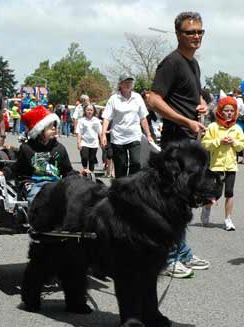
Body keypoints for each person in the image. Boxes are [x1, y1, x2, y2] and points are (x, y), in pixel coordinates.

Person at [146, 11, 210, 278]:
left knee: (184, 201)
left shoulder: (192, 64)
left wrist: (202, 104)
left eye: (199, 32)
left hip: (189, 140)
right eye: (190, 32)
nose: (196, 37)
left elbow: (192, 97)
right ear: (178, 34)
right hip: (175, 140)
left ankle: (181, 251)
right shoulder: (171, 63)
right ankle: (169, 257)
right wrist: (185, 120)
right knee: (172, 201)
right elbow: (153, 99)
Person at [0, 106, 77, 206]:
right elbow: (17, 168)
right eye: (50, 125)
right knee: (38, 198)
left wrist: (80, 176)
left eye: (55, 124)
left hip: (55, 184)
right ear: (39, 130)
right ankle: (38, 220)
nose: (54, 127)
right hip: (33, 184)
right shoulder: (27, 148)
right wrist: (2, 172)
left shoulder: (59, 148)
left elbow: (67, 171)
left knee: (69, 198)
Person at [201, 96, 244, 231]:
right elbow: (205, 144)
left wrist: (234, 143)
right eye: (226, 110)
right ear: (220, 111)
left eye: (232, 110)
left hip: (231, 166)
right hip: (216, 166)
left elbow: (241, 147)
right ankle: (206, 208)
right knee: (214, 193)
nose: (229, 113)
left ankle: (228, 219)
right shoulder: (213, 127)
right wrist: (219, 141)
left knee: (229, 193)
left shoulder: (237, 129)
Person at [100, 75, 153, 178]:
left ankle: (131, 184)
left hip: (134, 136)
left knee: (136, 162)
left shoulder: (137, 97)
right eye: (125, 82)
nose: (128, 84)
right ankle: (120, 188)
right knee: (121, 166)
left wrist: (149, 135)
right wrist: (103, 135)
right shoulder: (114, 99)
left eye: (130, 82)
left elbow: (143, 118)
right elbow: (106, 118)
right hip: (118, 137)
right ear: (120, 84)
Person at [76, 104, 102, 172]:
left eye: (91, 110)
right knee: (84, 157)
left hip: (94, 143)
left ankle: (91, 174)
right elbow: (79, 132)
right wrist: (78, 142)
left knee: (92, 159)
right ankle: (85, 170)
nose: (89, 111)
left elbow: (100, 132)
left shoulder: (96, 120)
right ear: (85, 111)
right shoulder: (81, 120)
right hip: (84, 142)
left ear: (93, 111)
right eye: (88, 110)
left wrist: (102, 141)